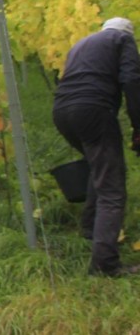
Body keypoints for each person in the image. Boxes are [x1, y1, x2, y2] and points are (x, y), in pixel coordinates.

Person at [52, 17, 140, 277]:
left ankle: (91, 229)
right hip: (93, 109)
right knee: (112, 187)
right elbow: (132, 81)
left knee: (98, 166)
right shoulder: (123, 39)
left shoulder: (81, 44)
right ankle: (104, 265)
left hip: (61, 111)